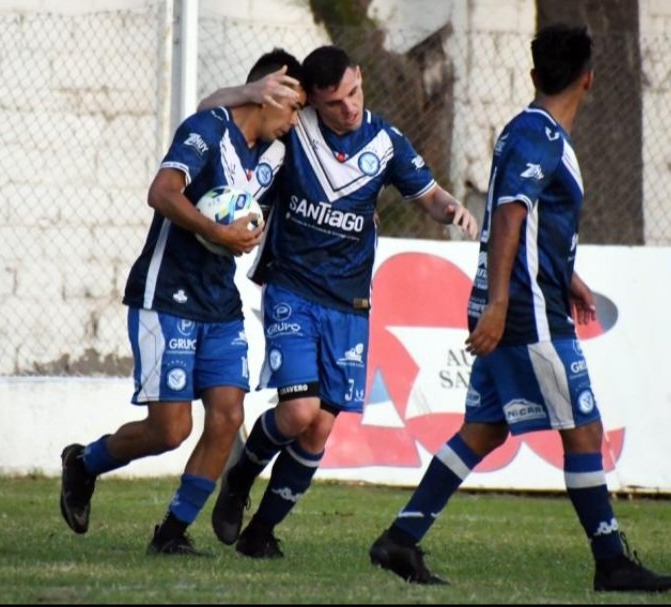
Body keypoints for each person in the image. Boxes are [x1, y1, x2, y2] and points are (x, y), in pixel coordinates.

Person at [366, 25, 671, 593]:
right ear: (589, 77)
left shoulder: (530, 132)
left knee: (485, 429)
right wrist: (503, 304)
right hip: (527, 314)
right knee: (583, 430)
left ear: (535, 77)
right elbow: (508, 215)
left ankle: (400, 539)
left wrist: (571, 279)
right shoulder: (540, 136)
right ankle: (610, 561)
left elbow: (531, 225)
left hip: (523, 302)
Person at [200, 45, 479, 559]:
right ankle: (239, 476)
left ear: (360, 78)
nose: (348, 108)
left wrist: (453, 209)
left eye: (354, 93)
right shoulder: (293, 131)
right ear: (312, 103)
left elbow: (430, 194)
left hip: (349, 304)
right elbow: (214, 112)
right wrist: (249, 95)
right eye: (334, 103)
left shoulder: (386, 142)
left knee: (320, 428)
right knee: (299, 411)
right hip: (292, 289)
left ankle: (261, 530)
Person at [58, 49, 306, 556]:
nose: (296, 120)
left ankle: (171, 533)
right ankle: (84, 464)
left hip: (219, 303)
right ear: (269, 93)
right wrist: (217, 230)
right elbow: (162, 192)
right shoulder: (207, 130)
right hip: (165, 295)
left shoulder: (275, 156)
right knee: (169, 429)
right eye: (293, 106)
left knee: (226, 415)